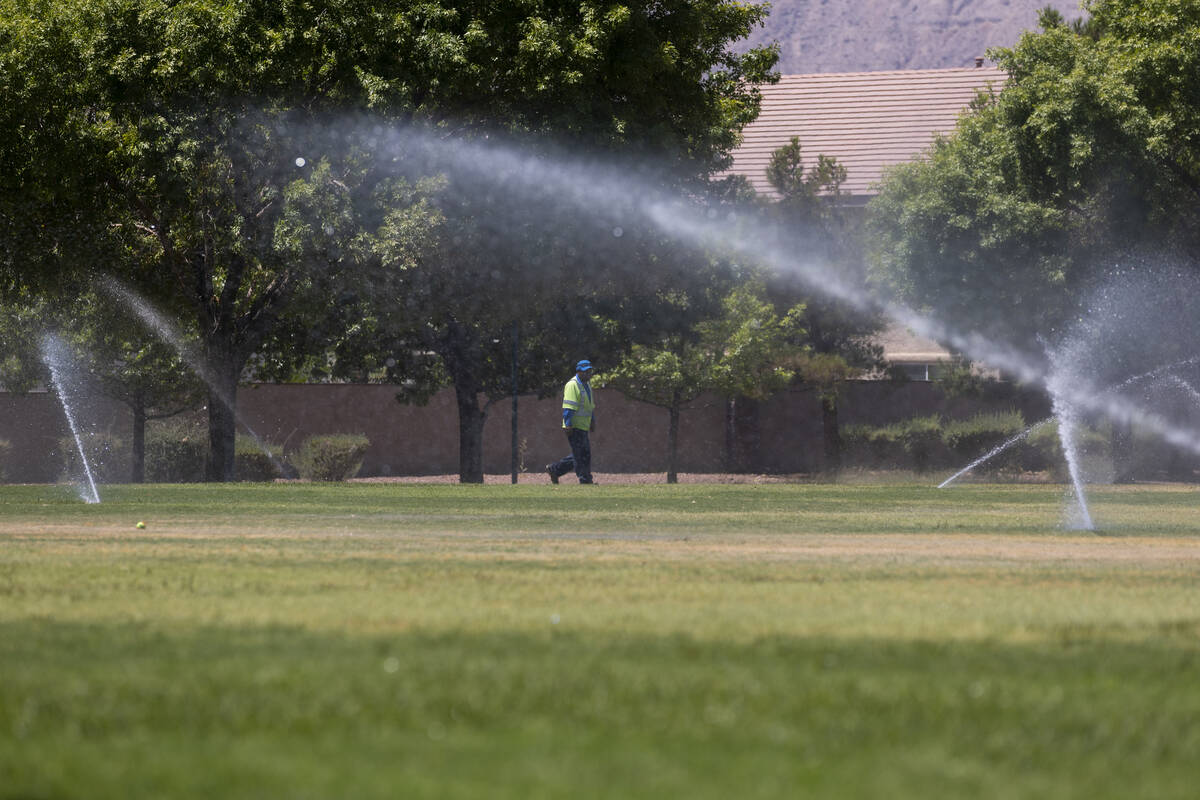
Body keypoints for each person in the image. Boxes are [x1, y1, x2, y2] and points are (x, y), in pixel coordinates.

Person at [546, 359, 597, 484]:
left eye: (589, 371)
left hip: (583, 425)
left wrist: (592, 420)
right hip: (574, 426)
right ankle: (585, 480)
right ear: (578, 371)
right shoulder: (573, 385)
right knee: (583, 454)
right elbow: (569, 406)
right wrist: (568, 424)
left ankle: (555, 469)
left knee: (579, 454)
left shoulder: (587, 385)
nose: (588, 374)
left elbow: (589, 406)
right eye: (585, 372)